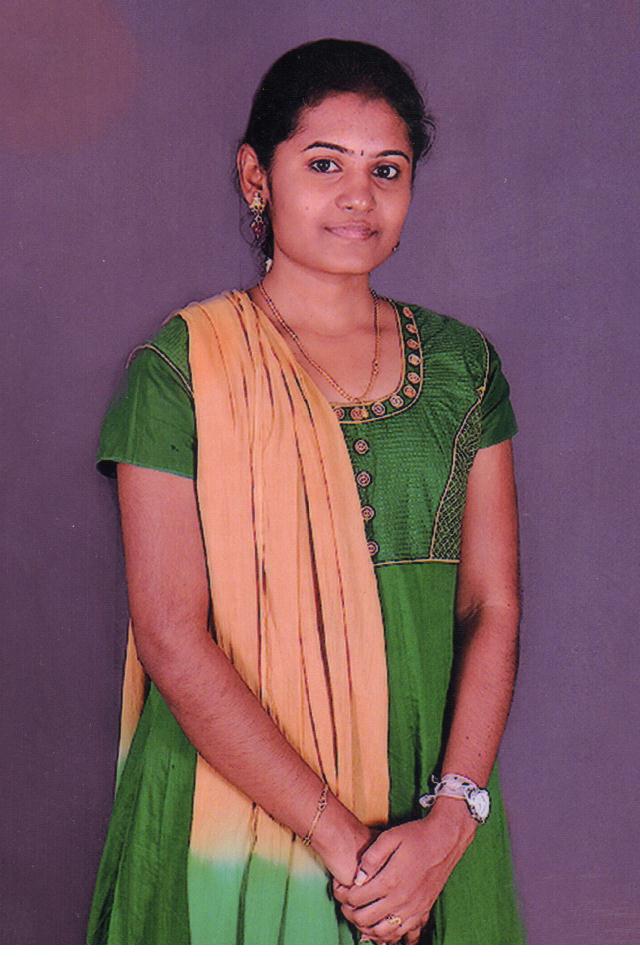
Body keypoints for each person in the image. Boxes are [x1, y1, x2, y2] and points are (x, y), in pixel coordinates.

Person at [86, 38, 526, 945]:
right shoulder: (181, 370)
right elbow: (170, 634)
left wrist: (452, 818)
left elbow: (492, 605)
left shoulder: (465, 368)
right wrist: (341, 841)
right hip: (229, 808)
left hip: (431, 814)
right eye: (325, 164)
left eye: (386, 170)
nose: (358, 196)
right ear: (257, 176)